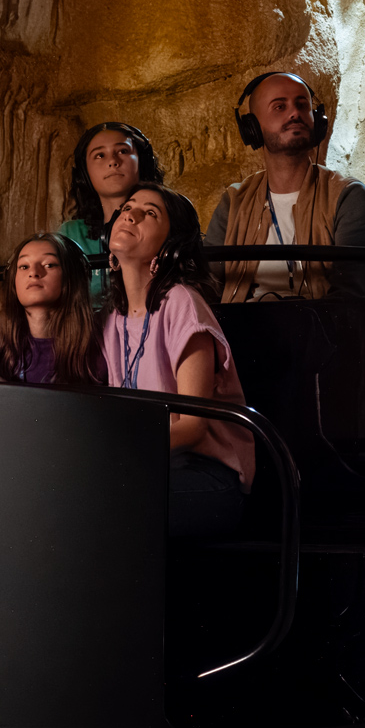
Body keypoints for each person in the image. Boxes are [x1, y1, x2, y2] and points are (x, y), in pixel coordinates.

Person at [104, 184, 255, 538]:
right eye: (128, 206)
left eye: (150, 213)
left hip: (206, 475)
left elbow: (192, 426)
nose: (131, 214)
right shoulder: (113, 318)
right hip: (146, 467)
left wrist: (117, 453)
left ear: (171, 246)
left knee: (102, 501)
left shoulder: (182, 303)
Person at [206, 71, 365, 302]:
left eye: (302, 105)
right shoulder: (234, 201)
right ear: (252, 128)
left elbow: (349, 295)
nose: (295, 113)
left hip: (320, 331)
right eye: (279, 107)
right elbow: (207, 285)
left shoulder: (347, 196)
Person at [0, 232, 106, 384]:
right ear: (13, 281)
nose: (34, 272)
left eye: (49, 265)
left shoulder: (99, 352)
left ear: (72, 278)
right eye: (24, 266)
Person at [61, 121, 165, 296]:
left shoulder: (169, 223)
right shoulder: (70, 236)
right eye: (100, 155)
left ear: (142, 161)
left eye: (123, 151)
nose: (113, 162)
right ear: (85, 173)